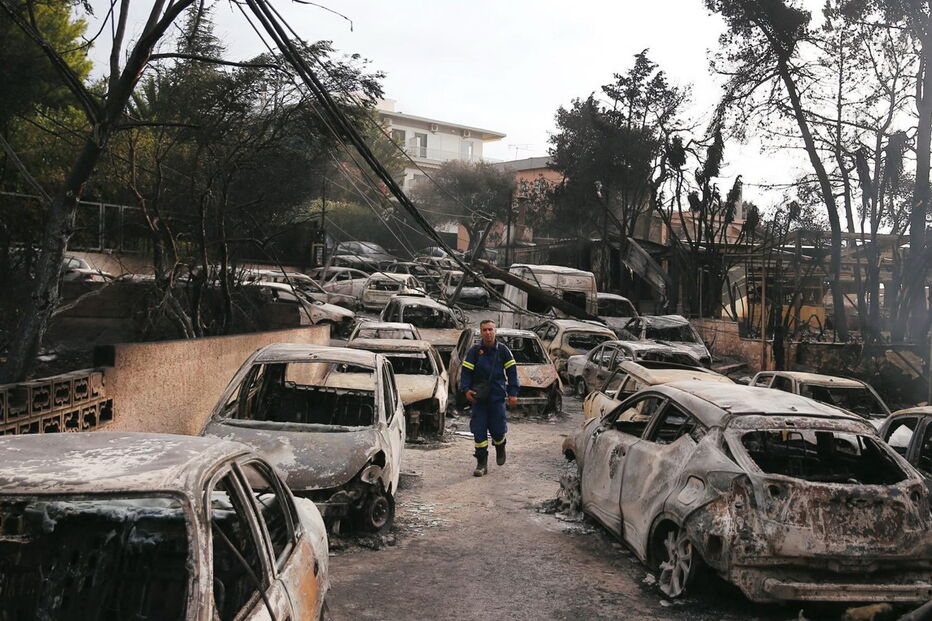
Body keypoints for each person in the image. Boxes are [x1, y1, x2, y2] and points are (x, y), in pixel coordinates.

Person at [461, 319, 519, 477]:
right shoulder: (474, 351)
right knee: (479, 432)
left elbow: (512, 373)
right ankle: (481, 463)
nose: (488, 332)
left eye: (490, 329)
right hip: (479, 399)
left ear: (495, 331)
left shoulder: (503, 351)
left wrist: (513, 393)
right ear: (481, 332)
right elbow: (466, 373)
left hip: (497, 398)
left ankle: (500, 445)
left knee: (498, 430)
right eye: (485, 330)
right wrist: (466, 390)